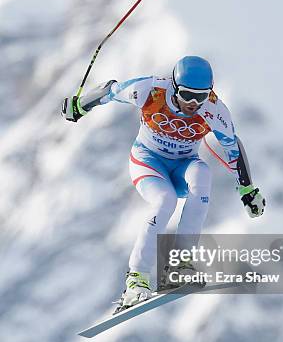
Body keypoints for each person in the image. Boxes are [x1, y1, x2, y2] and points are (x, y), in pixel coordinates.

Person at [62, 56, 265, 311]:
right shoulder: (150, 90)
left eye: (201, 96)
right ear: (174, 86)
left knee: (202, 174)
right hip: (148, 162)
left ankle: (181, 265)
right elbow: (110, 90)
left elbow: (232, 148)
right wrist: (80, 105)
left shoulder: (215, 110)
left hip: (184, 165)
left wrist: (247, 189)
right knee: (165, 201)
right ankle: (137, 279)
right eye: (188, 94)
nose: (193, 103)